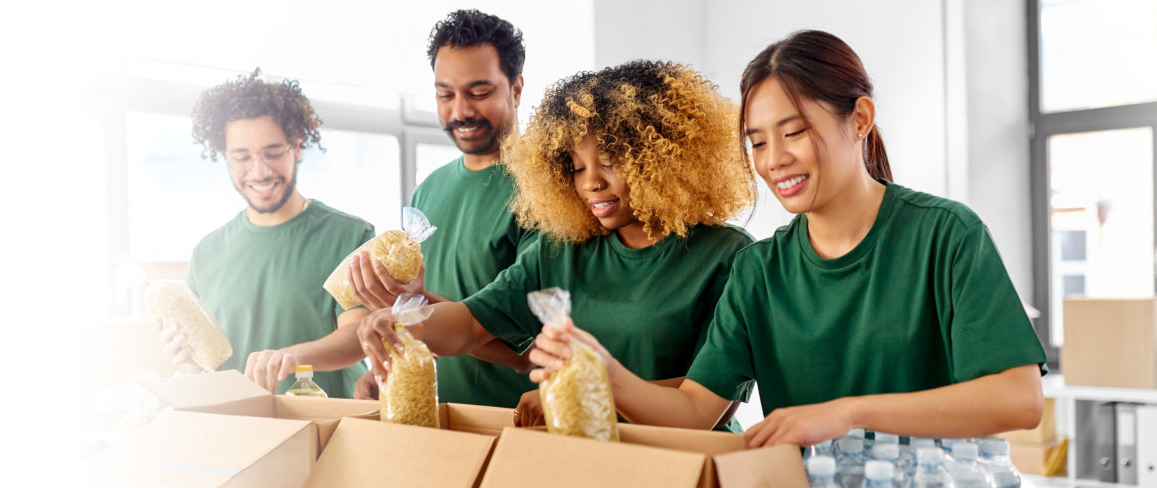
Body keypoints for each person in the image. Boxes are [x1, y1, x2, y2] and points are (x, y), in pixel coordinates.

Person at [525, 30, 1048, 446]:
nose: (773, 160)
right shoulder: (759, 271)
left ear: (860, 118)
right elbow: (693, 414)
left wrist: (847, 414)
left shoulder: (945, 236)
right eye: (756, 141)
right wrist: (605, 372)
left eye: (793, 132)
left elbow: (1018, 400)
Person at [359, 60, 754, 428]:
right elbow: (468, 323)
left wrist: (587, 389)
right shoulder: (561, 249)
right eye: (577, 167)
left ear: (661, 159)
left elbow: (705, 404)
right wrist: (402, 322)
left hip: (688, 467)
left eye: (611, 162)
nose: (590, 183)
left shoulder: (727, 257)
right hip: (586, 456)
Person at [237, 10, 538, 406]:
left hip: (512, 424)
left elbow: (529, 350)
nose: (460, 111)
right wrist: (388, 373)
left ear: (515, 89)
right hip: (429, 417)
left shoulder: (544, 191)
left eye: (479, 93)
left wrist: (423, 308)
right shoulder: (429, 190)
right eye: (445, 94)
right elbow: (419, 318)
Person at [153, 70, 376, 397]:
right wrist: (189, 365)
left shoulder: (350, 236)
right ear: (225, 157)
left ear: (298, 147)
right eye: (242, 157)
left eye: (273, 153)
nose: (260, 171)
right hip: (239, 434)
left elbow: (359, 335)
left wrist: (292, 357)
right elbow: (210, 364)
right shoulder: (207, 253)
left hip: (327, 433)